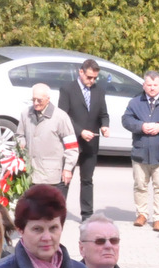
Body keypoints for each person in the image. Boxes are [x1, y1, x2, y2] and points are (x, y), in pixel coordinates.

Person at [121, 70, 159, 233]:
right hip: (140, 153)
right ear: (144, 85)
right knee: (140, 185)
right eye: (149, 85)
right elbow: (126, 120)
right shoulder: (135, 102)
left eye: (155, 85)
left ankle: (158, 218)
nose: (152, 88)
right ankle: (141, 214)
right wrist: (141, 126)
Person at [58, 59, 110, 220]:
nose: (92, 81)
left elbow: (103, 114)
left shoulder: (99, 91)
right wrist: (80, 131)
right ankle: (58, 213)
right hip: (72, 141)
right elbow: (63, 117)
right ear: (81, 72)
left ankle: (87, 215)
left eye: (95, 78)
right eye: (89, 77)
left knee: (87, 180)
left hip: (91, 142)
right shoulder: (67, 89)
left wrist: (104, 126)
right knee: (65, 179)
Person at [16, 83, 79, 198]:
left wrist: (68, 169)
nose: (35, 103)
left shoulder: (61, 117)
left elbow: (72, 147)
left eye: (39, 100)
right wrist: (22, 144)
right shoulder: (26, 114)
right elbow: (19, 135)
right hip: (30, 174)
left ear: (48, 99)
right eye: (33, 99)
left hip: (52, 177)